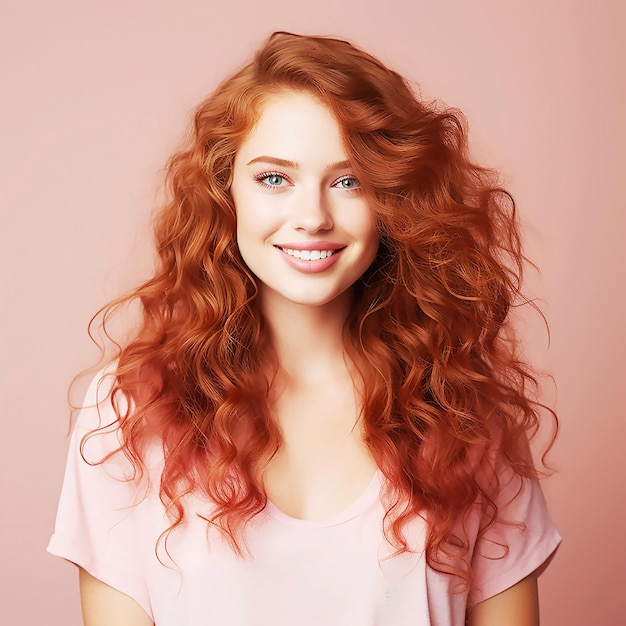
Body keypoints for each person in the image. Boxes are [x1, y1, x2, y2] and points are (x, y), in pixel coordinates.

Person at [48, 31, 561, 626]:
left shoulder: (466, 414)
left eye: (349, 181)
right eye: (274, 178)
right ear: (226, 193)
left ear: (393, 200)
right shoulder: (128, 413)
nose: (313, 217)